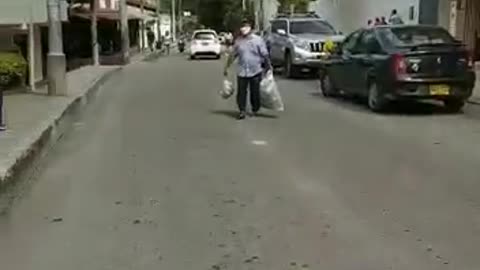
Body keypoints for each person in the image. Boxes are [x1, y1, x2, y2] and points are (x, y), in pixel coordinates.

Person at [223, 19, 271, 120]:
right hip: (242, 71)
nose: (243, 28)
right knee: (241, 93)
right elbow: (233, 55)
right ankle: (242, 110)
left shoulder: (258, 40)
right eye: (242, 26)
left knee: (255, 92)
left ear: (250, 28)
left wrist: (268, 67)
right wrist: (227, 67)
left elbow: (265, 54)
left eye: (246, 26)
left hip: (255, 70)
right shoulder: (238, 41)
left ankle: (255, 108)